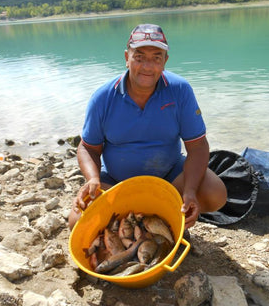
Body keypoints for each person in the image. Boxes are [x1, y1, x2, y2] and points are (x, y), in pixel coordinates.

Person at [69, 24, 227, 231]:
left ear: (165, 62)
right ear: (127, 57)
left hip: (168, 178)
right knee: (77, 222)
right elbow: (88, 147)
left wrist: (189, 191)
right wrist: (93, 179)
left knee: (215, 193)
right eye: (139, 57)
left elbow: (197, 146)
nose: (147, 66)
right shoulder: (103, 97)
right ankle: (141, 222)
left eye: (156, 58)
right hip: (116, 182)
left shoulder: (180, 90)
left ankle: (167, 216)